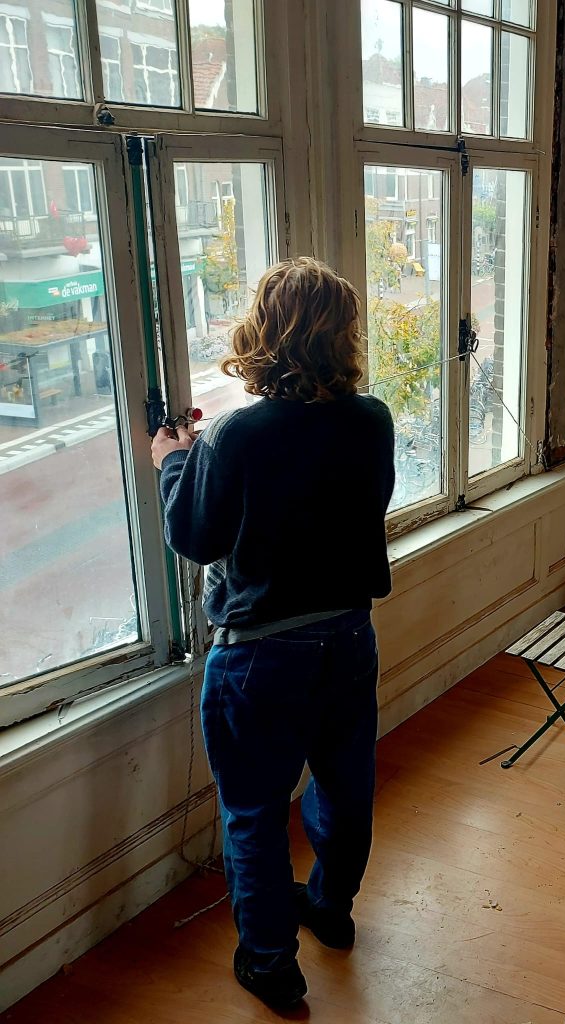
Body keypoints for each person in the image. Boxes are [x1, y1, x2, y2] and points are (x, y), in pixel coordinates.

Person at [151, 257, 395, 1009]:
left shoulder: (238, 434)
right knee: (345, 790)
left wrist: (173, 461)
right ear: (342, 334)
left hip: (260, 656)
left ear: (265, 332)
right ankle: (330, 908)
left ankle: (270, 965)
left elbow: (195, 536)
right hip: (348, 639)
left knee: (255, 814)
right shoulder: (372, 419)